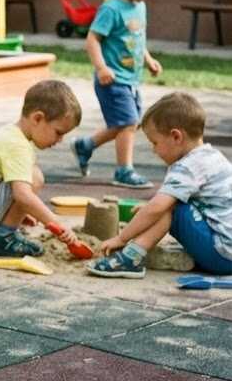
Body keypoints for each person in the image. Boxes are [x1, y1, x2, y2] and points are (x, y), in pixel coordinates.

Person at [89, 91, 232, 278]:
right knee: (167, 206)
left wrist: (121, 238)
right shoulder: (212, 157)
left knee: (170, 208)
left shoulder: (187, 167)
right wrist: (150, 209)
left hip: (222, 256)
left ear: (176, 137)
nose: (153, 150)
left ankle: (130, 259)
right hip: (226, 248)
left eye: (155, 142)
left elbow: (159, 207)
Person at [72, 0, 163, 188]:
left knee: (123, 124)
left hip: (131, 79)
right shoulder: (111, 9)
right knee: (128, 123)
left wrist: (148, 59)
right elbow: (92, 39)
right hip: (111, 79)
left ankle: (86, 145)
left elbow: (136, 39)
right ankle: (124, 170)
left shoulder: (139, 6)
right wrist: (101, 68)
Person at [0, 80, 84, 257]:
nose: (60, 140)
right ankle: (4, 237)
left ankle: (3, 228)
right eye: (59, 132)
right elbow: (23, 195)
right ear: (37, 118)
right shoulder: (18, 146)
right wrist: (56, 223)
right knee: (34, 177)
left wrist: (15, 211)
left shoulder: (8, 134)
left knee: (28, 176)